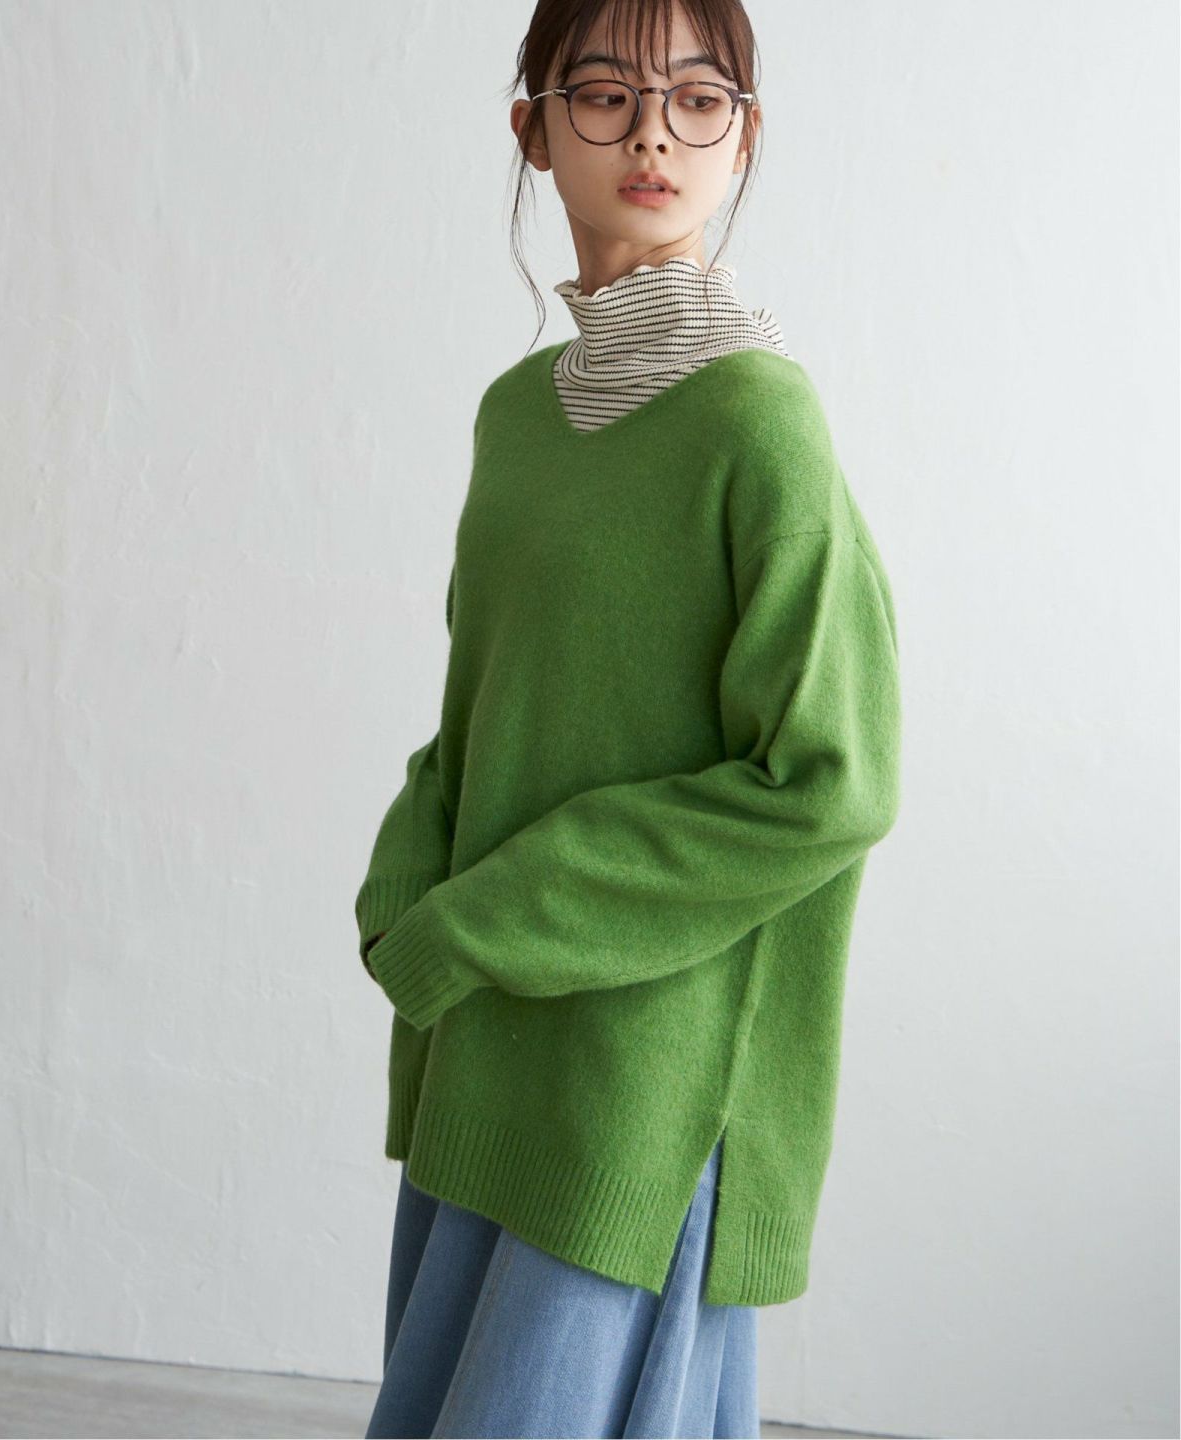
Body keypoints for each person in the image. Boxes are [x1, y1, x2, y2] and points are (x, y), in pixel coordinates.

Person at [355, 2, 903, 1436]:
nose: (654, 133)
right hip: (491, 1033)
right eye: (604, 93)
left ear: (745, 138)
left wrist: (502, 907)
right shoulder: (517, 415)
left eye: (699, 99)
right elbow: (481, 707)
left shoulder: (758, 420)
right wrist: (408, 881)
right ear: (532, 130)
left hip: (647, 1074)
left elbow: (830, 782)